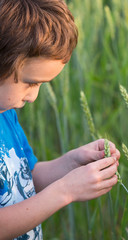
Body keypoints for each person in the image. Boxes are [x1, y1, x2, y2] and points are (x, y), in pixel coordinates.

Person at [0, 0, 120, 239]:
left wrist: (71, 162)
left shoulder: (6, 116)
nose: (34, 96)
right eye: (30, 82)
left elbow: (27, 177)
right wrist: (65, 191)